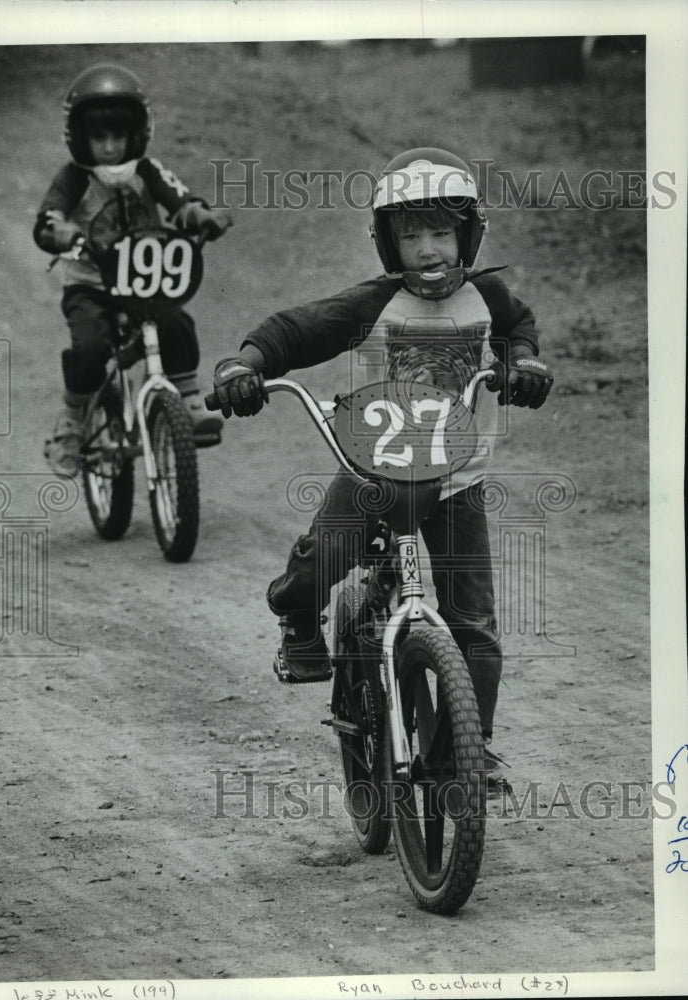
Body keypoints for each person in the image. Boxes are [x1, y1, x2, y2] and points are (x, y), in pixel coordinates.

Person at [211, 147, 553, 771]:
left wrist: (524, 362)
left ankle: (463, 759)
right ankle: (294, 606)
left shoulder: (489, 298)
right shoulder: (373, 303)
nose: (428, 250)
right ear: (387, 245)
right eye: (411, 235)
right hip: (379, 471)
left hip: (457, 481)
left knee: (473, 626)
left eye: (442, 232)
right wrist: (246, 364)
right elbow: (296, 330)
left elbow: (520, 327)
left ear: (469, 233)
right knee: (327, 555)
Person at [34, 62, 232, 476]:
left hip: (146, 283)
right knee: (89, 348)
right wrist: (60, 230)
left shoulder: (147, 171)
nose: (109, 147)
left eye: (118, 136)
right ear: (81, 137)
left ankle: (188, 396)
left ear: (137, 133)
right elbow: (49, 216)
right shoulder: (74, 178)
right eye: (99, 137)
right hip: (91, 284)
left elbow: (181, 200)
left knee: (176, 323)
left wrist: (200, 217)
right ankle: (72, 422)